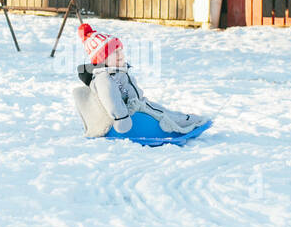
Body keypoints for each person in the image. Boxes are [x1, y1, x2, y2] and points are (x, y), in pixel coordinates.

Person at [72, 23, 212, 146]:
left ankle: (186, 120)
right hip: (129, 116)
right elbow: (111, 99)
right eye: (114, 52)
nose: (120, 54)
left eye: (120, 50)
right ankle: (181, 125)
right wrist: (121, 118)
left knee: (161, 110)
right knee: (159, 116)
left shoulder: (117, 71)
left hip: (138, 105)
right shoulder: (104, 78)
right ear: (102, 59)